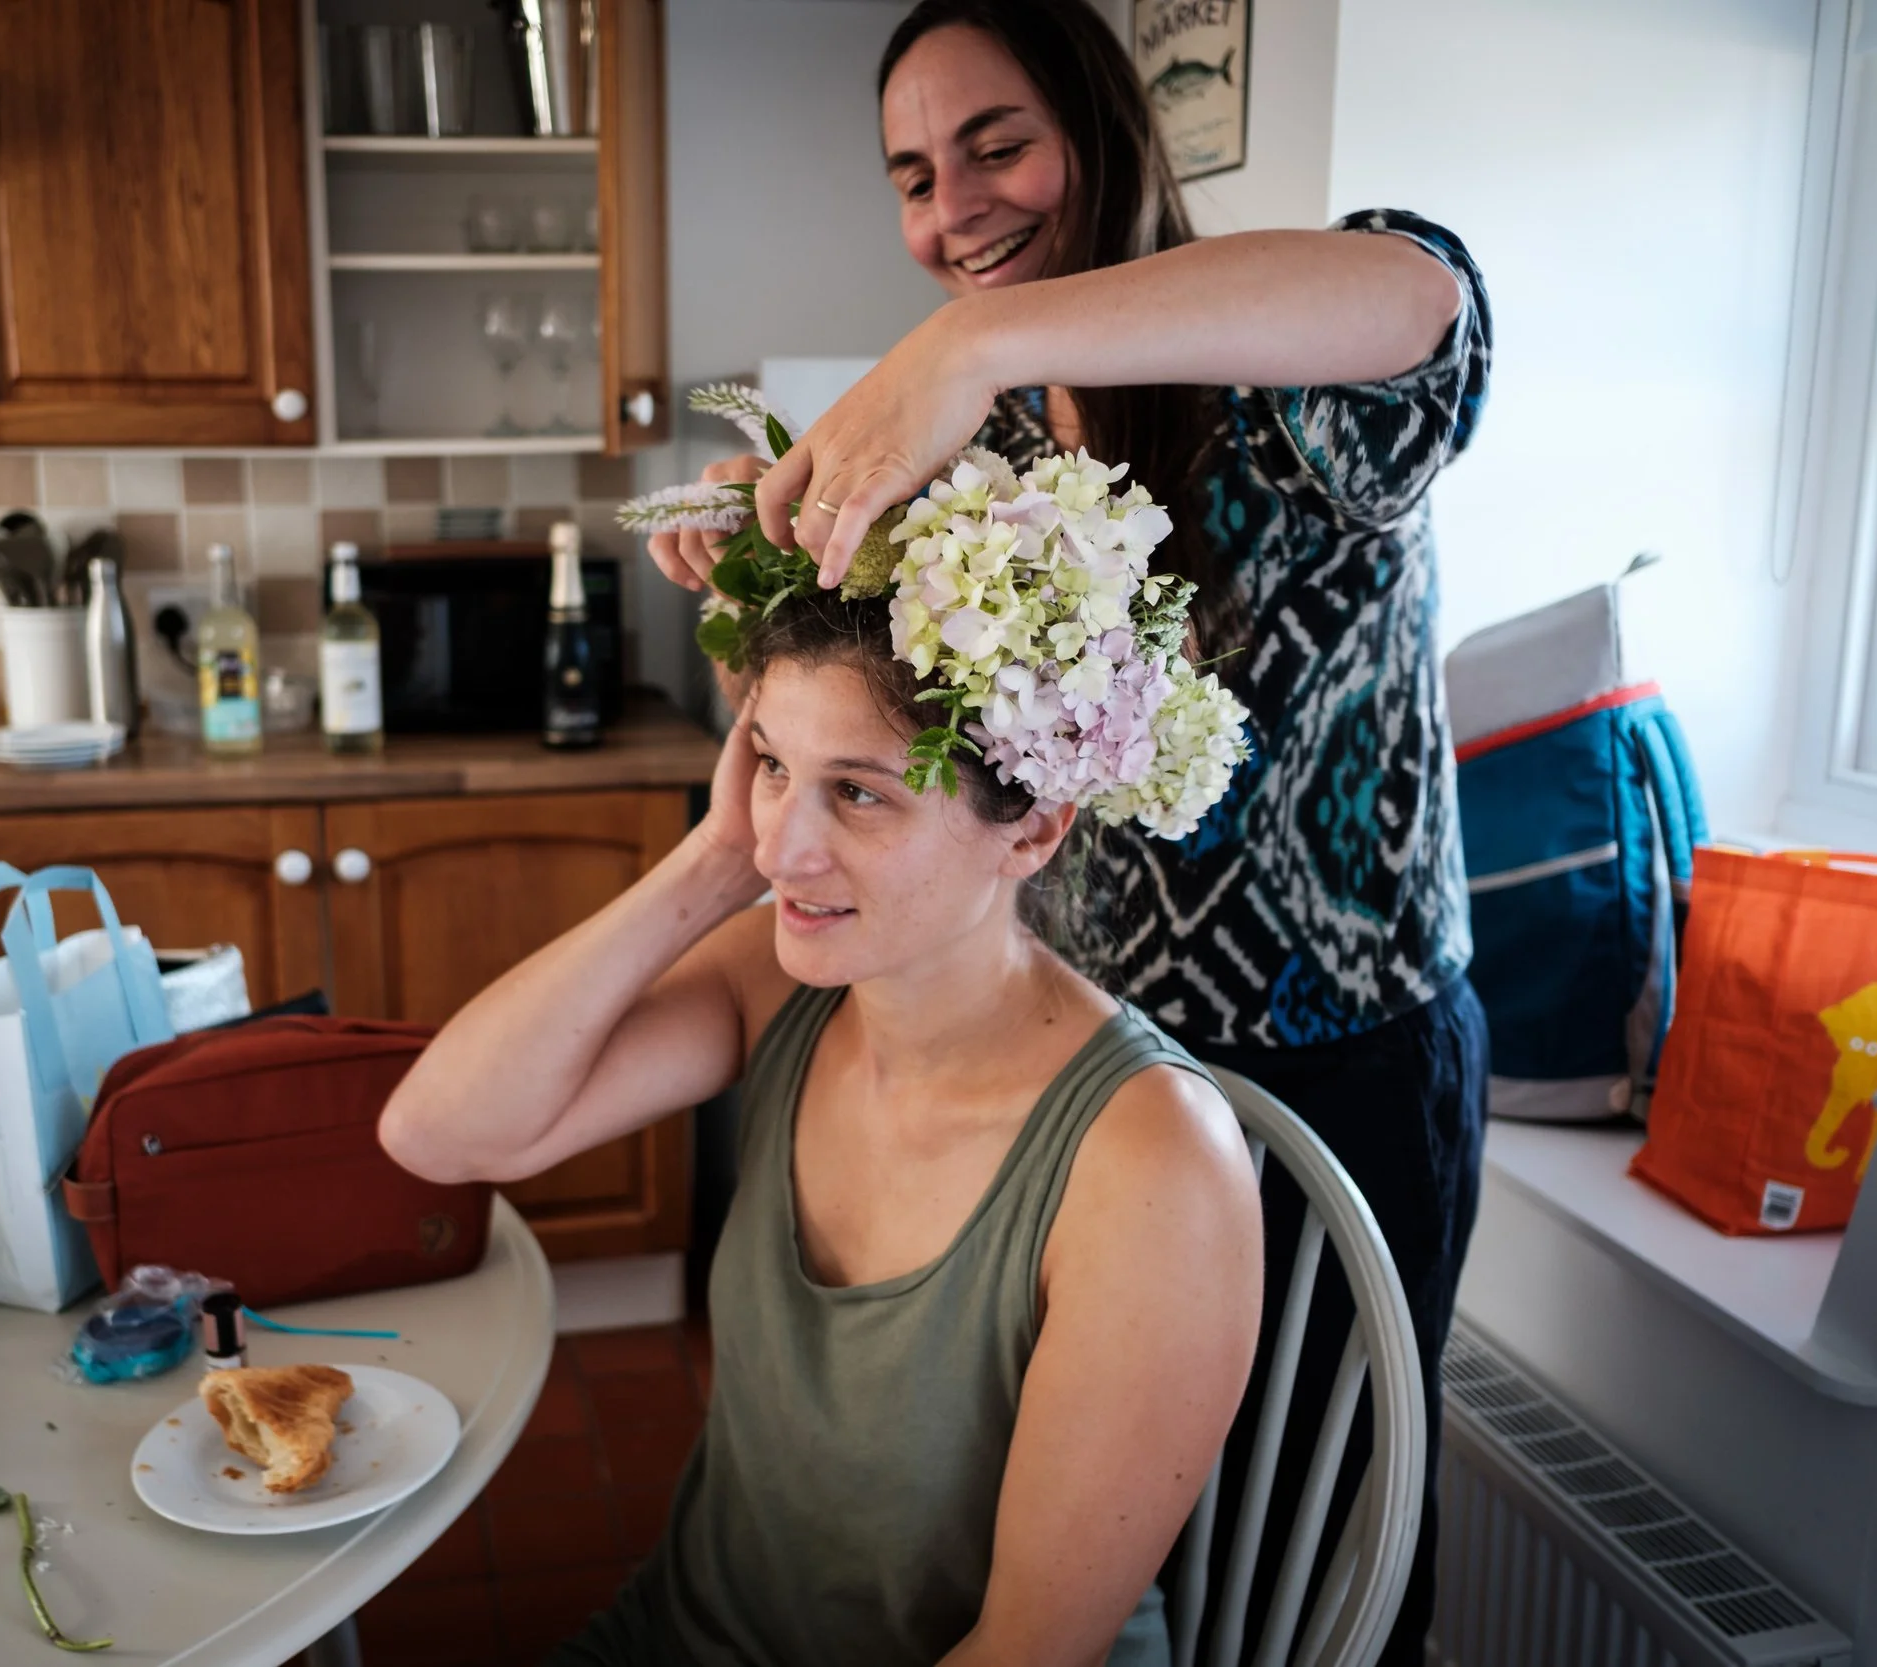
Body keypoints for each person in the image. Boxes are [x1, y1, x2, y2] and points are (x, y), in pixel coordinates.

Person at [646, 3, 1493, 1660]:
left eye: (996, 143)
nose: (951, 207)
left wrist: (959, 346)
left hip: (1344, 1061)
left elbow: (1428, 296)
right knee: (1105, 1558)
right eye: (910, 173)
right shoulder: (1002, 442)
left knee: (1307, 1581)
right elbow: (893, 732)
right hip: (1089, 1079)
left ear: (1104, 131)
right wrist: (765, 573)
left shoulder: (1283, 386)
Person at [380, 565, 1267, 1661]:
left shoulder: (1153, 1165)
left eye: (857, 791)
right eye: (771, 765)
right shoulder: (784, 977)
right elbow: (440, 1132)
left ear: (1032, 829)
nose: (779, 848)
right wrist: (710, 857)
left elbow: (1026, 1648)